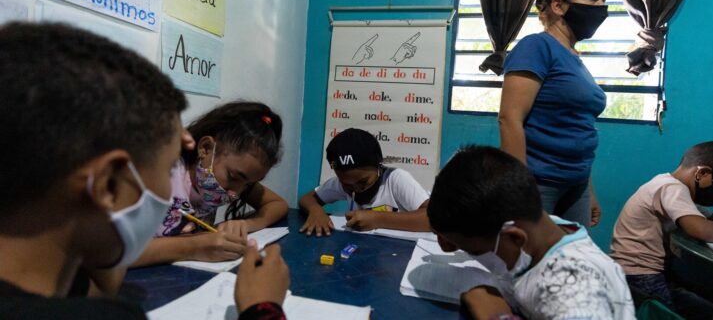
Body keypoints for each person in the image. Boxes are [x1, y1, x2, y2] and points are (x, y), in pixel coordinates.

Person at [0, 22, 289, 319]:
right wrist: (262, 308)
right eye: (165, 169)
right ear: (108, 184)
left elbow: (104, 285)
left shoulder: (73, 285)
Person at [428, 146, 635, 320]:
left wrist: (498, 317)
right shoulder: (544, 228)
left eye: (473, 251)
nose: (470, 255)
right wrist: (450, 235)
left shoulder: (576, 295)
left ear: (515, 237)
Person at [498, 0, 609, 227]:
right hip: (539, 183)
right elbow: (509, 118)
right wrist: (520, 188)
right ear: (558, 6)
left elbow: (578, 127)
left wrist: (589, 191)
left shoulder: (573, 57)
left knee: (571, 262)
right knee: (529, 262)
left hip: (577, 184)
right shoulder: (536, 46)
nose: (602, 6)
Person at [135, 102, 289, 266]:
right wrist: (193, 247)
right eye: (233, 176)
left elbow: (277, 204)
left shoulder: (236, 182)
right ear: (206, 148)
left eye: (248, 184)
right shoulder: (157, 175)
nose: (235, 193)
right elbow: (111, 252)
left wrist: (246, 224)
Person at [610, 141, 713, 319]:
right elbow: (702, 229)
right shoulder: (672, 188)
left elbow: (708, 220)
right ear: (703, 173)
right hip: (640, 275)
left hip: (648, 274)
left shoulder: (673, 187)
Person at [298, 128, 430, 236]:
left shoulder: (395, 179)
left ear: (378, 167)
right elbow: (307, 198)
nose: (356, 189)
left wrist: (378, 219)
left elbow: (432, 218)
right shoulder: (341, 183)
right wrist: (315, 211)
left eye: (363, 182)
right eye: (347, 185)